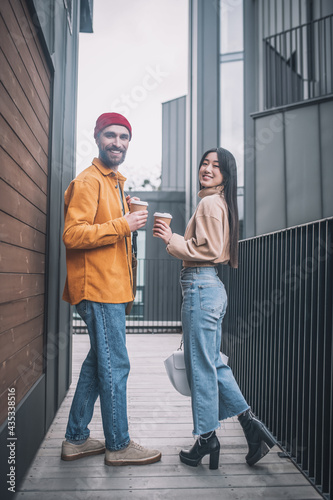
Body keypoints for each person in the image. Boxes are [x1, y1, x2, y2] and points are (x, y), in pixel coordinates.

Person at [153, 147, 276, 469]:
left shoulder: (209, 202)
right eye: (204, 163)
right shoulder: (220, 203)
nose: (207, 168)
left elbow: (206, 250)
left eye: (216, 166)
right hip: (209, 288)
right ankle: (252, 428)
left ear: (226, 174)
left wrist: (170, 237)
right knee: (214, 365)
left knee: (202, 367)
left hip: (200, 287)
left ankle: (207, 438)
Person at [61, 112, 161, 466]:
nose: (117, 142)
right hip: (99, 289)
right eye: (110, 135)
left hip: (113, 289)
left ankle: (75, 439)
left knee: (97, 363)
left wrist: (124, 214)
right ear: (97, 137)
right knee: (116, 364)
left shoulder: (114, 183)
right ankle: (118, 445)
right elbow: (72, 235)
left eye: (123, 137)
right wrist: (124, 223)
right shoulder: (89, 181)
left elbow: (105, 227)